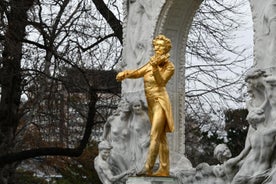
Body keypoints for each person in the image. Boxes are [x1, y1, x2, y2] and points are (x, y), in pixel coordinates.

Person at [116, 34, 175, 176]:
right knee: (161, 137)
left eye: (161, 46)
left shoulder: (169, 66)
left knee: (154, 134)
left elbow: (161, 82)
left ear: (166, 49)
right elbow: (138, 73)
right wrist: (125, 74)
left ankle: (147, 167)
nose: (158, 49)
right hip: (151, 103)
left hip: (160, 102)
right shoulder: (151, 63)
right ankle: (164, 168)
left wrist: (155, 68)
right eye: (156, 46)